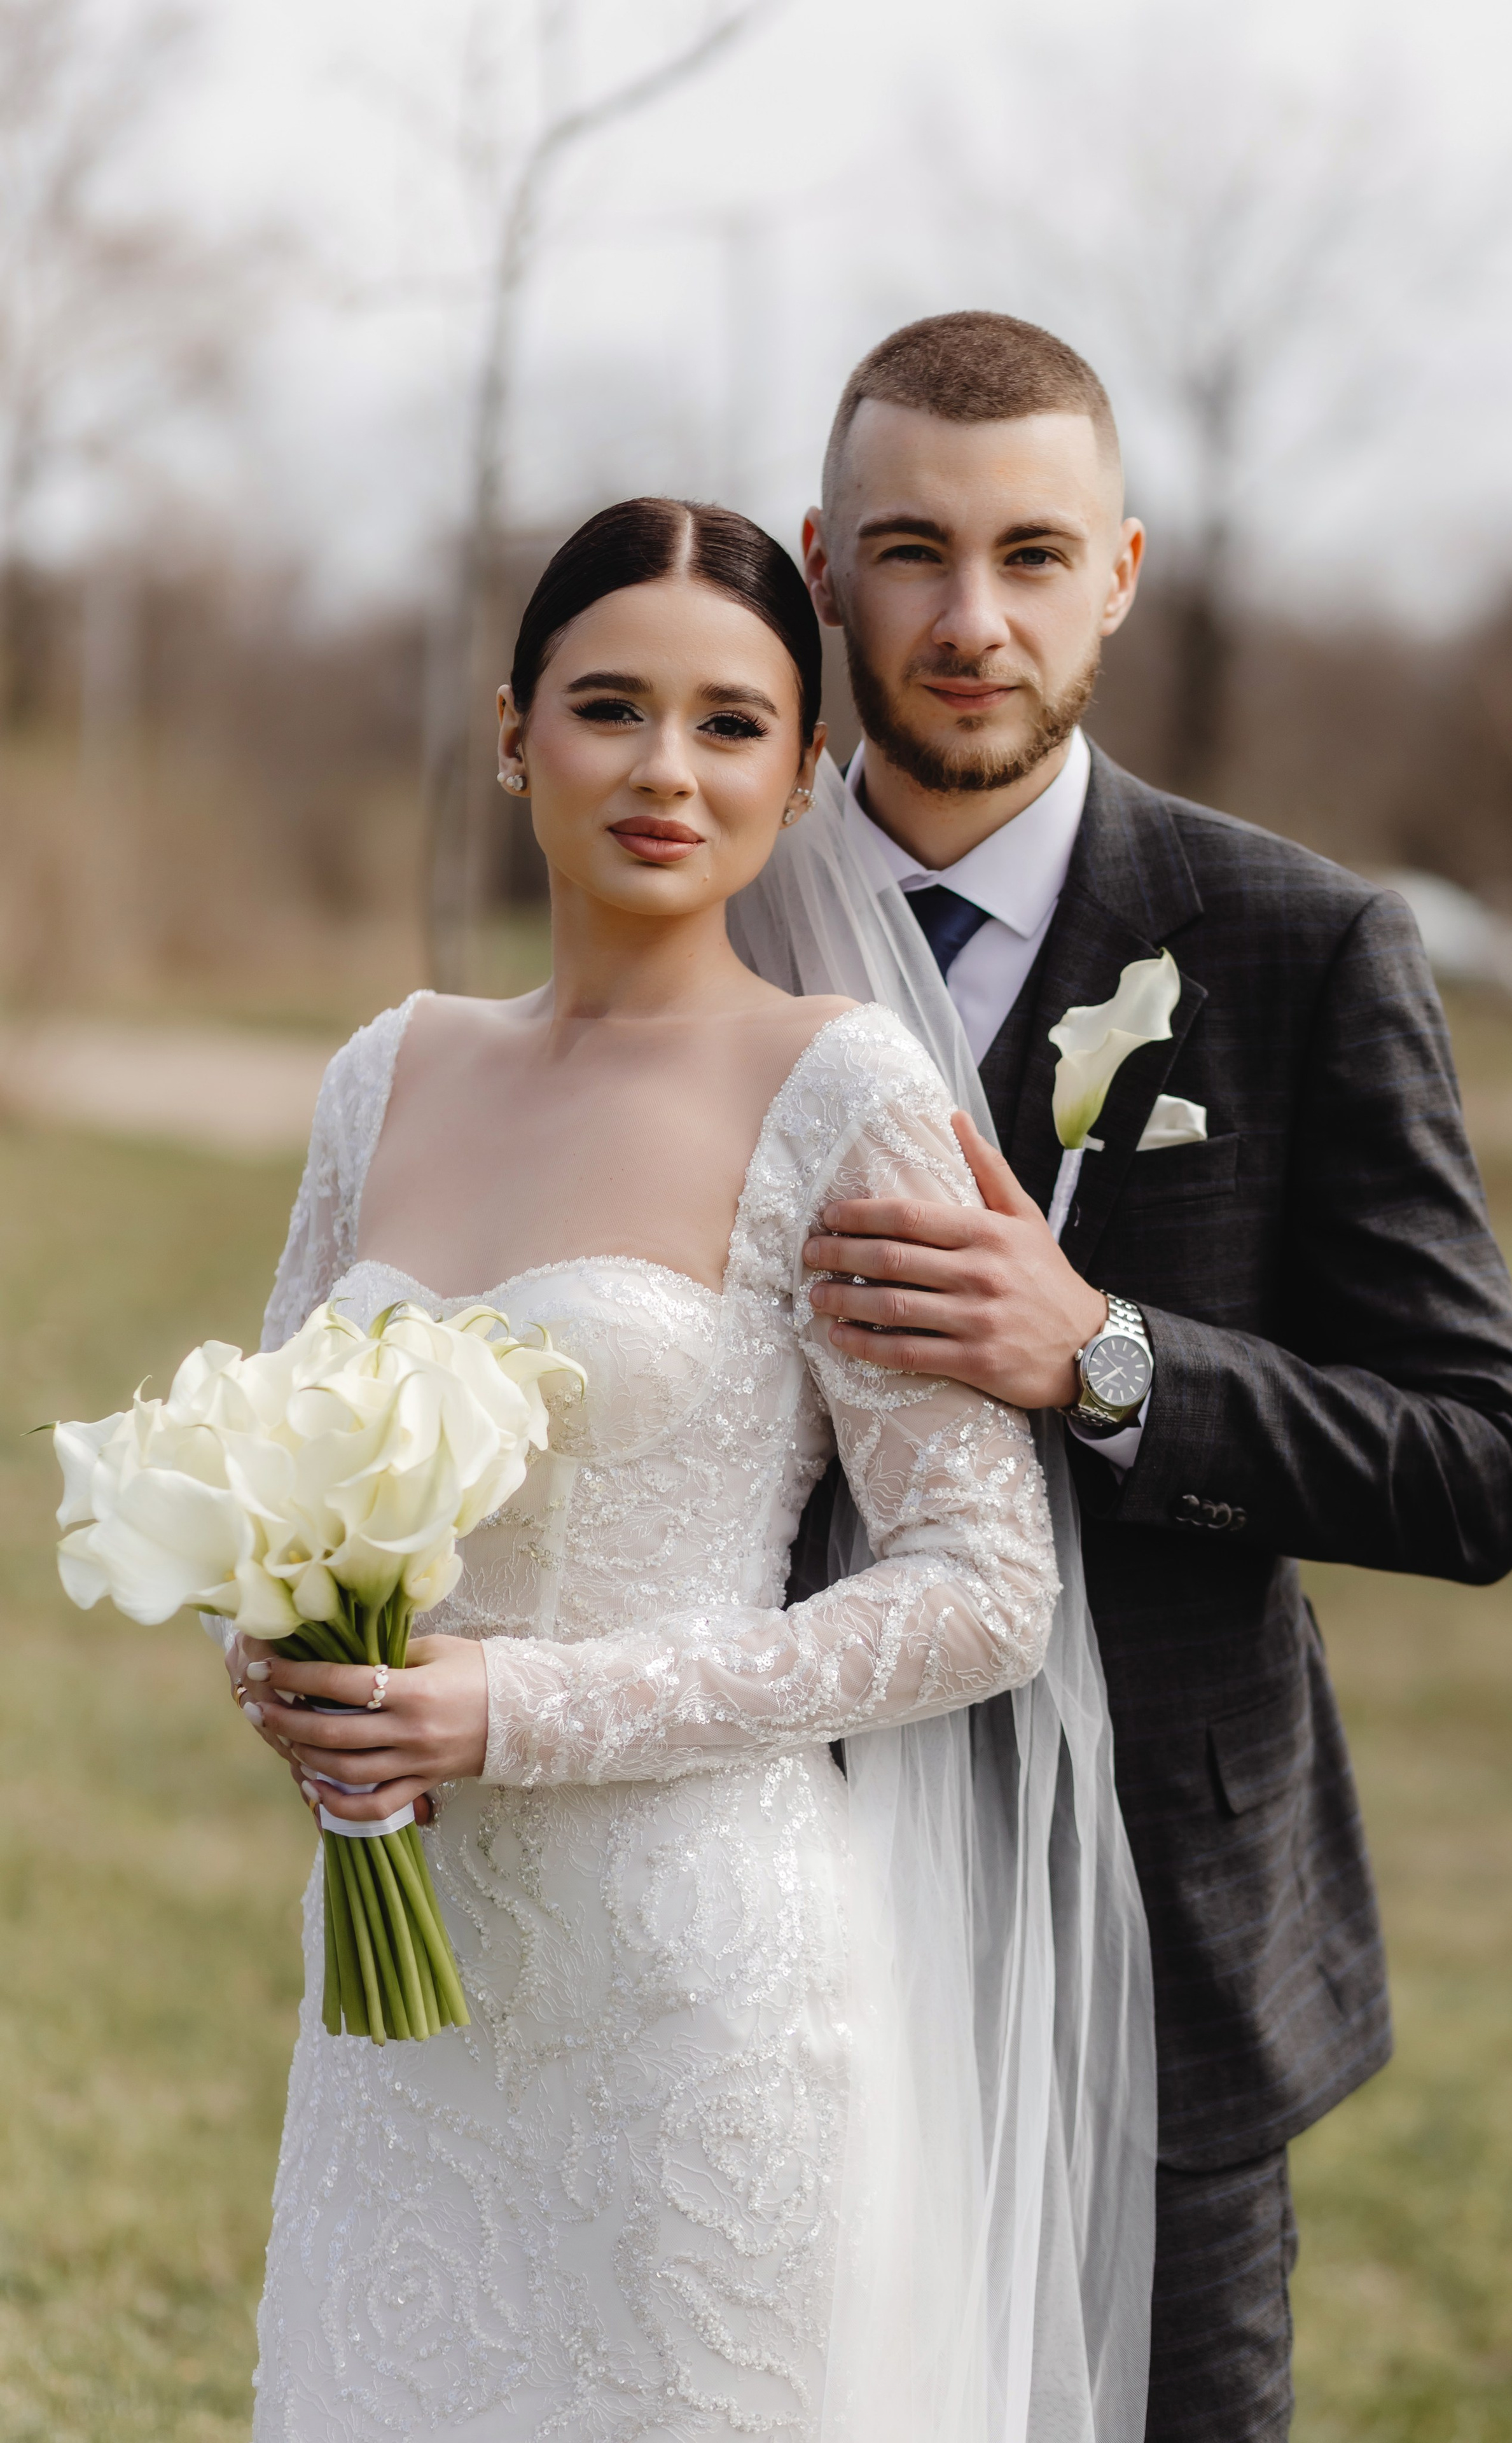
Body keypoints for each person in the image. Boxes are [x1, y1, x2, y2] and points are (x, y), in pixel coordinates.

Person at [225, 494, 1156, 2443]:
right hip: (402, 1995)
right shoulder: (382, 1072)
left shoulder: (842, 1090)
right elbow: (267, 1482)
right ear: (510, 734)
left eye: (734, 723)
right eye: (610, 708)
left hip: (697, 2005)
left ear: (803, 773)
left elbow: (986, 1591)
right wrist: (285, 1662)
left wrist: (516, 1707)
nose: (668, 769)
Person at [782, 311, 1512, 2443]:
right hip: (771, 1922)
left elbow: (1480, 1465)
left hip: (1168, 1944)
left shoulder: (1303, 946)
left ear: (1120, 572)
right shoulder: (714, 939)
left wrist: (1104, 1359)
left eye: (1034, 557)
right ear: (822, 562)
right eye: (913, 551)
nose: (970, 619)